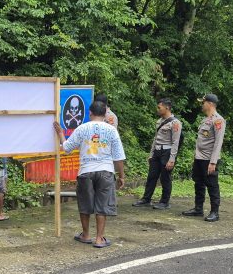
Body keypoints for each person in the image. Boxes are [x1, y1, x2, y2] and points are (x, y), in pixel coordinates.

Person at [54, 100, 126, 248]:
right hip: (106, 171)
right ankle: (99, 239)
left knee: (85, 204)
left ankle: (86, 235)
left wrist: (61, 133)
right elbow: (118, 156)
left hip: (86, 171)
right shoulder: (112, 130)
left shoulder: (82, 128)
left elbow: (66, 148)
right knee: (102, 205)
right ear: (105, 113)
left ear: (90, 113)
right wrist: (121, 176)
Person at [182, 93, 226, 222]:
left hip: (209, 159)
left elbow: (218, 143)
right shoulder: (205, 120)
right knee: (198, 183)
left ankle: (214, 212)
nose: (202, 104)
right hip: (199, 158)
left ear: (210, 104)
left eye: (203, 102)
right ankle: (198, 209)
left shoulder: (218, 120)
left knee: (212, 185)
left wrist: (213, 162)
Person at [133, 98, 182, 209]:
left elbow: (175, 142)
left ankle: (164, 202)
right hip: (157, 151)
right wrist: (151, 153)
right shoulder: (159, 121)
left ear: (167, 108)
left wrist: (172, 158)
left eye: (160, 107)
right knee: (152, 176)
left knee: (165, 177)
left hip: (167, 151)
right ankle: (146, 199)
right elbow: (155, 139)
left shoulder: (175, 123)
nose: (158, 109)